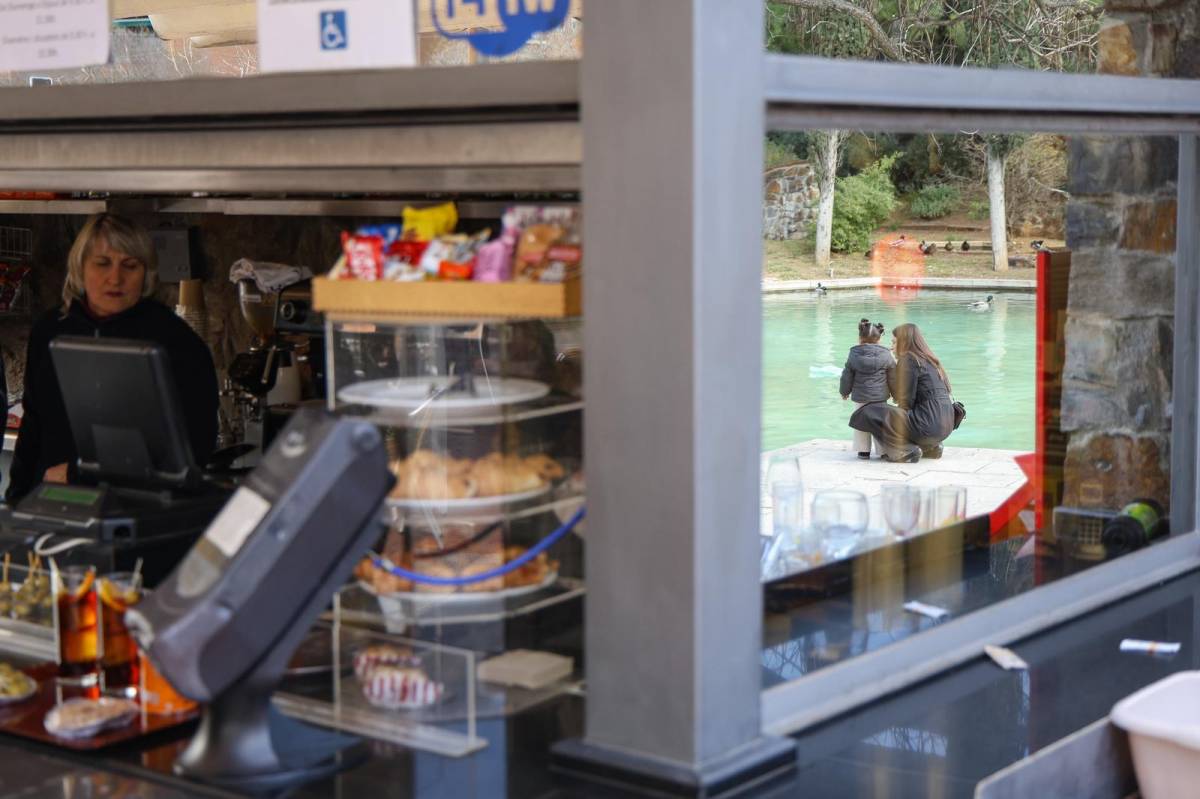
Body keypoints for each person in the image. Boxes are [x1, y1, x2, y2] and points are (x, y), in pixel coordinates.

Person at [5, 214, 218, 504]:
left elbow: (193, 449)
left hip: (139, 512)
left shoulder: (175, 342)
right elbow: (34, 424)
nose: (115, 278)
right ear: (80, 267)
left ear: (146, 273)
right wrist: (16, 500)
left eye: (130, 265)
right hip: (52, 505)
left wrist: (79, 474)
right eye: (102, 263)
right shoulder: (51, 329)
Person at [850, 322, 954, 463]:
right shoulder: (931, 360)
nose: (891, 347)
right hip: (945, 426)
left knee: (868, 412)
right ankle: (930, 447)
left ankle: (904, 450)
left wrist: (889, 423)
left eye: (894, 342)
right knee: (890, 414)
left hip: (927, 427)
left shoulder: (908, 359)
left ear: (904, 342)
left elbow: (906, 402)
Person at [839, 318, 894, 460]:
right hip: (880, 397)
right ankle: (883, 451)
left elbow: (847, 375)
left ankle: (863, 451)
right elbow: (893, 377)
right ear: (879, 338)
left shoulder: (854, 354)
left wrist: (844, 392)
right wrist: (896, 394)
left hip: (861, 397)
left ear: (859, 337)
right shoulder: (886, 354)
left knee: (861, 422)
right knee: (880, 422)